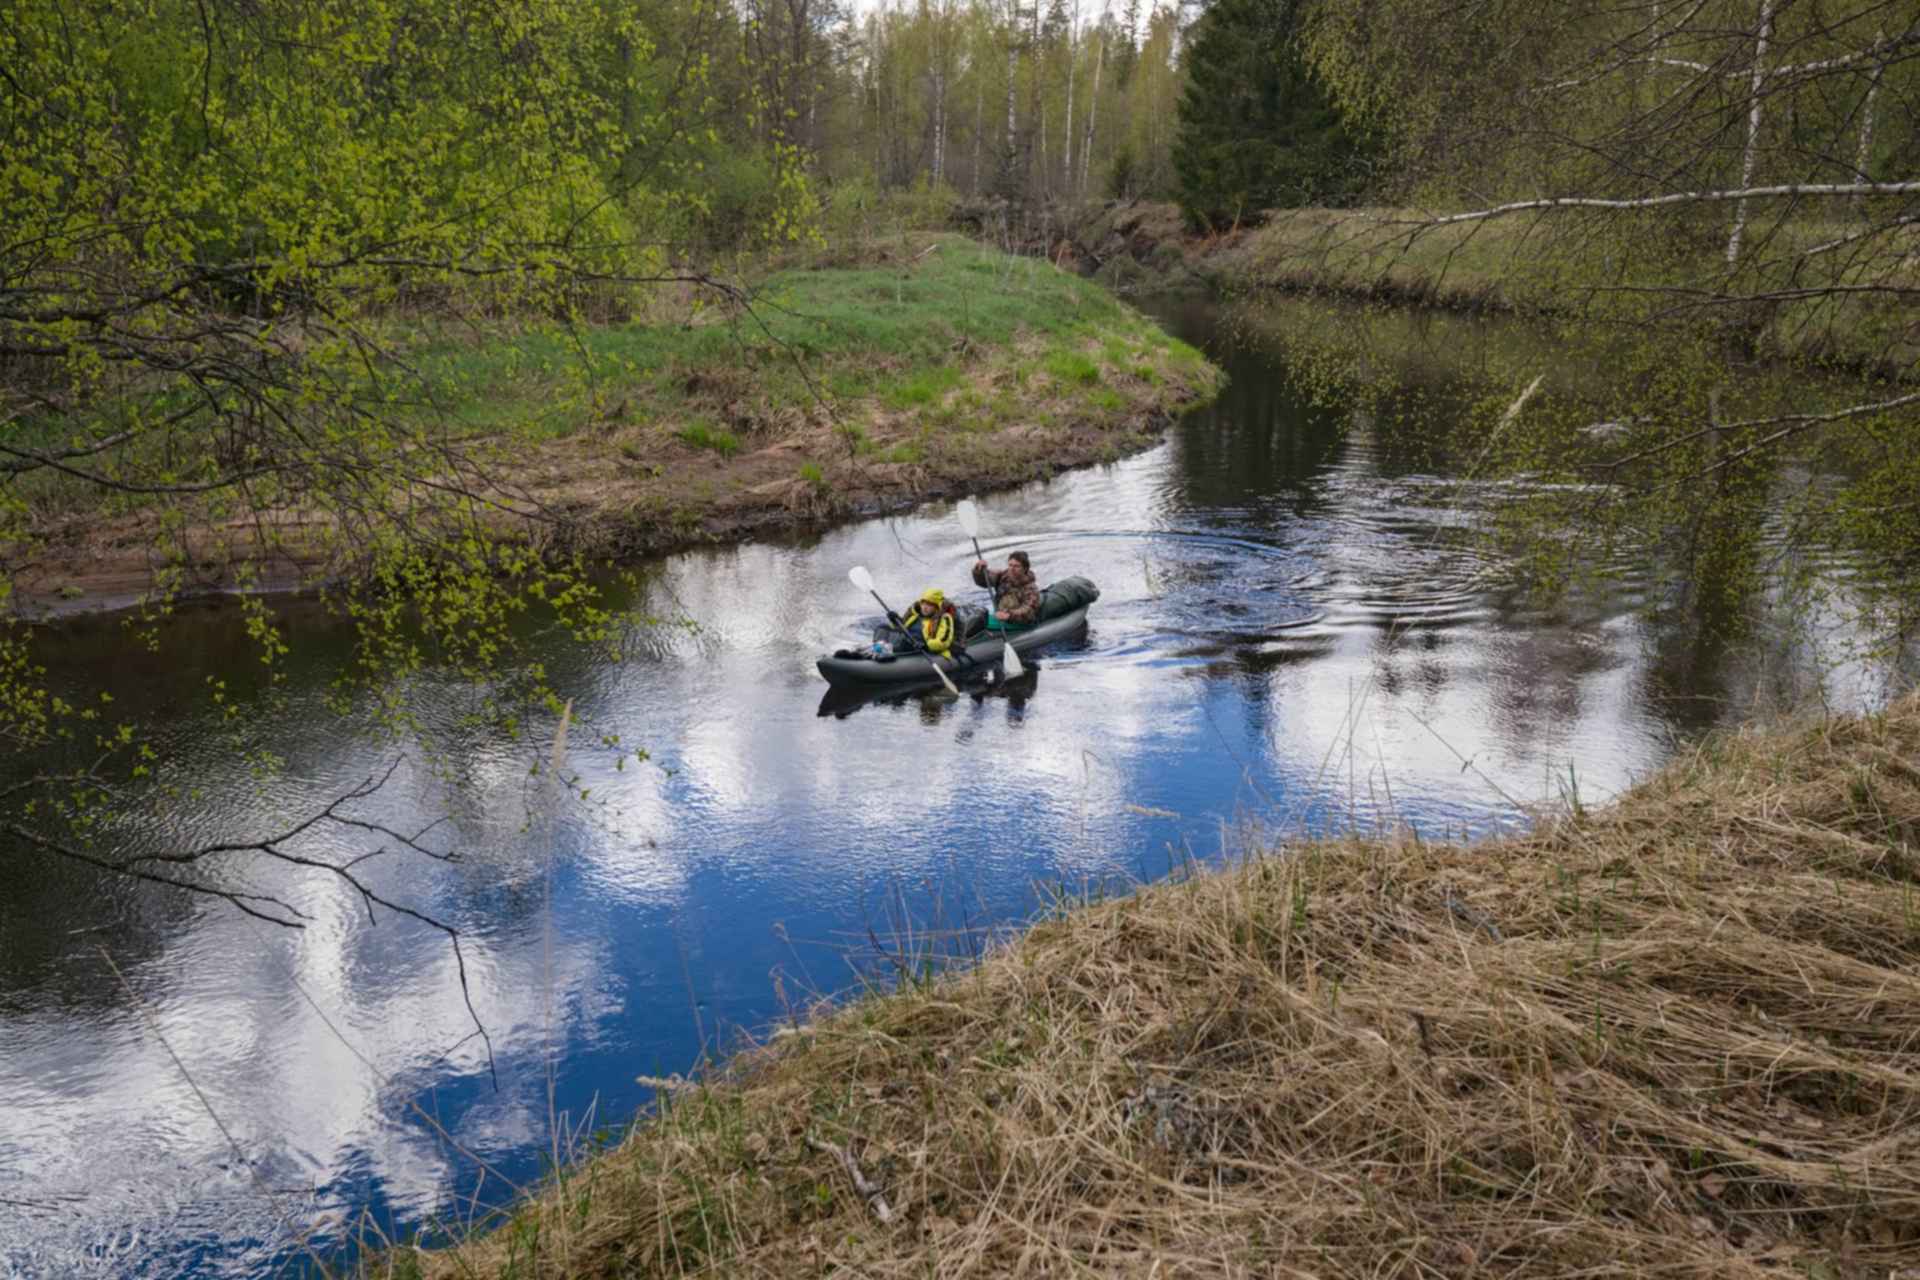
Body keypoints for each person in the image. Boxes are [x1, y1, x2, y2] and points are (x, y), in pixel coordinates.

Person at [971, 550, 1040, 628]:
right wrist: (979, 570)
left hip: (1017, 621)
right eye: (1010, 565)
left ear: (1025, 568)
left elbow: (1028, 610)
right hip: (1000, 614)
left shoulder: (1031, 588)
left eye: (1017, 566)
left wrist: (1009, 615)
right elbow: (985, 580)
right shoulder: (1002, 576)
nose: (1012, 569)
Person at [888, 587, 957, 656]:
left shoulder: (944, 618)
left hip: (923, 652)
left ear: (937, 607)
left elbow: (943, 641)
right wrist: (895, 620)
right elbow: (900, 628)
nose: (925, 607)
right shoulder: (914, 613)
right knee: (882, 627)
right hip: (905, 644)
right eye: (923, 603)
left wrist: (926, 646)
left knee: (903, 645)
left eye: (929, 604)